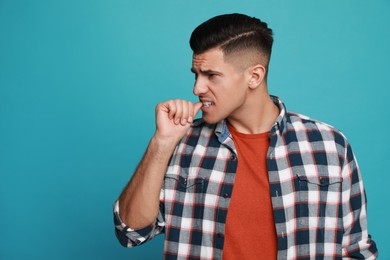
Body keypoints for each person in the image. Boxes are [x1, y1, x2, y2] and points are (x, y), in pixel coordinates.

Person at [113, 13, 378, 259]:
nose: (197, 88)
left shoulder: (328, 146)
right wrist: (161, 143)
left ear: (254, 76)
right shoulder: (181, 143)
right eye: (196, 75)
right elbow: (131, 233)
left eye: (211, 75)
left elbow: (356, 250)